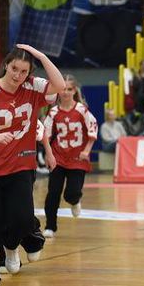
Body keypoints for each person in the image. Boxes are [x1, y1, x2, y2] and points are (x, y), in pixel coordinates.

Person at [0, 45, 64, 286]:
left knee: (22, 219)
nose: (18, 75)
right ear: (6, 65)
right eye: (14, 68)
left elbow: (59, 85)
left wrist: (41, 56)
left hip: (20, 166)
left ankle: (11, 246)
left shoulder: (33, 87)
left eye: (24, 71)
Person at [42, 75, 98, 238]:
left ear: (75, 91)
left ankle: (75, 201)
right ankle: (50, 226)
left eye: (69, 89)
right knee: (53, 192)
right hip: (58, 157)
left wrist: (86, 151)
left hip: (77, 159)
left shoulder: (82, 110)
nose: (65, 92)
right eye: (63, 89)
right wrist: (49, 154)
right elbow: (45, 135)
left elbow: (93, 129)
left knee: (72, 193)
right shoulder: (53, 112)